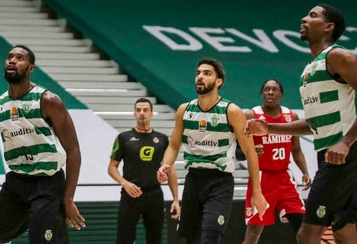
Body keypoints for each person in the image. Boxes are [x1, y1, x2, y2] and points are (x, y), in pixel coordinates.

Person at [245, 4, 357, 244]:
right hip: (329, 154)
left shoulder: (339, 56)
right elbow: (313, 124)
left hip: (343, 157)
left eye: (312, 16)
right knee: (344, 232)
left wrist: (346, 142)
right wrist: (269, 127)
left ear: (328, 27)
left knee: (307, 234)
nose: (304, 18)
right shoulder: (310, 69)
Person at [0, 45, 87, 243]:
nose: (12, 60)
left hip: (48, 184)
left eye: (20, 58)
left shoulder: (48, 101)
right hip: (16, 183)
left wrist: (68, 198)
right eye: (10, 57)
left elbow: (73, 151)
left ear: (30, 68)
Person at [157, 57, 267, 244]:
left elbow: (250, 152)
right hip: (193, 180)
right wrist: (165, 165)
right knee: (190, 239)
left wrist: (257, 191)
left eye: (207, 74)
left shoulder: (231, 111)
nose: (200, 77)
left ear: (218, 82)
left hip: (219, 182)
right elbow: (174, 146)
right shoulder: (184, 110)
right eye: (198, 73)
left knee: (210, 237)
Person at [241, 79, 312, 244]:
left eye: (274, 89)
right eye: (266, 89)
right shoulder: (252, 115)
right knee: (254, 232)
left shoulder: (290, 116)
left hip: (284, 177)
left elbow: (296, 149)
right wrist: (249, 151)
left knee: (302, 225)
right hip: (261, 178)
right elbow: (237, 146)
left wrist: (305, 172)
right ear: (262, 93)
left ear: (281, 94)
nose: (270, 93)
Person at [108, 98, 179, 244]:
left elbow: (170, 170)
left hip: (155, 195)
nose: (142, 113)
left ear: (152, 113)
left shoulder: (162, 139)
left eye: (145, 110)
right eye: (138, 110)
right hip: (130, 195)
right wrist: (124, 183)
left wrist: (176, 199)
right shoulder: (123, 138)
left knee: (155, 239)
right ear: (134, 113)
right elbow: (111, 167)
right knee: (124, 239)